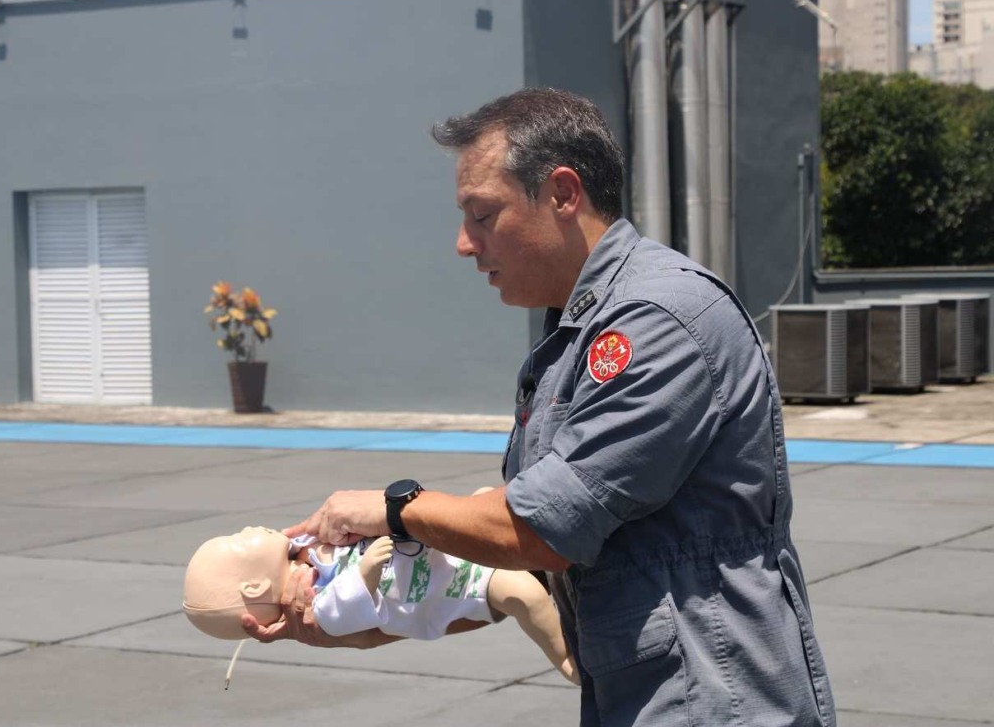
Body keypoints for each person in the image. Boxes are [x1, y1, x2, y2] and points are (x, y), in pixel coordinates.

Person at [244, 87, 835, 726]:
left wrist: (394, 509)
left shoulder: (658, 323)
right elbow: (524, 556)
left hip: (716, 702)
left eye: (483, 215)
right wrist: (356, 612)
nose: (465, 245)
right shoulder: (576, 333)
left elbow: (545, 528)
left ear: (561, 193)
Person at [183, 525, 578, 684]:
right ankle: (566, 660)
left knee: (483, 505)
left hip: (440, 551)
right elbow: (344, 614)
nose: (247, 529)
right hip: (454, 586)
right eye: (239, 540)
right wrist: (366, 573)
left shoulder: (303, 548)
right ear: (254, 585)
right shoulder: (315, 609)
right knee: (522, 594)